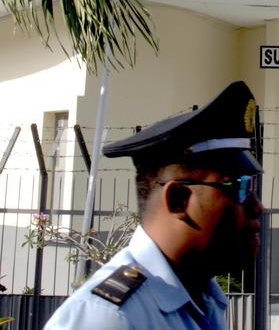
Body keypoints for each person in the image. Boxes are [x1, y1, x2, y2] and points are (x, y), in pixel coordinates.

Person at [45, 80, 264, 329]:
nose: (258, 207)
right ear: (178, 200)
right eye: (239, 186)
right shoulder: (109, 318)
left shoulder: (202, 299)